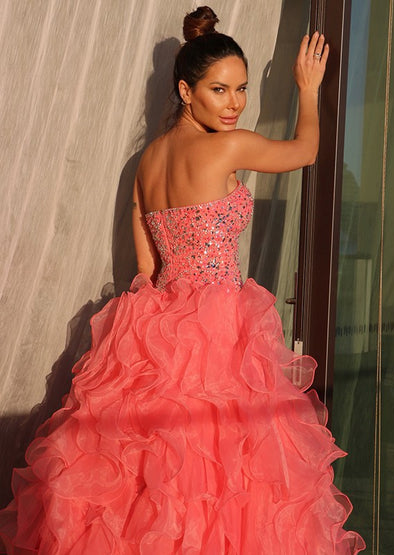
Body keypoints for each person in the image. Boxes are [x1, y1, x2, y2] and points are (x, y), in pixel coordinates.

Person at [0, 6, 366, 554]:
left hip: (156, 327)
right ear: (185, 90)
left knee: (150, 474)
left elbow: (146, 270)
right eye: (220, 90)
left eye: (241, 90)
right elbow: (305, 151)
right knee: (225, 473)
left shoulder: (146, 162)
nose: (235, 104)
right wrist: (307, 90)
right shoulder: (229, 146)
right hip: (219, 329)